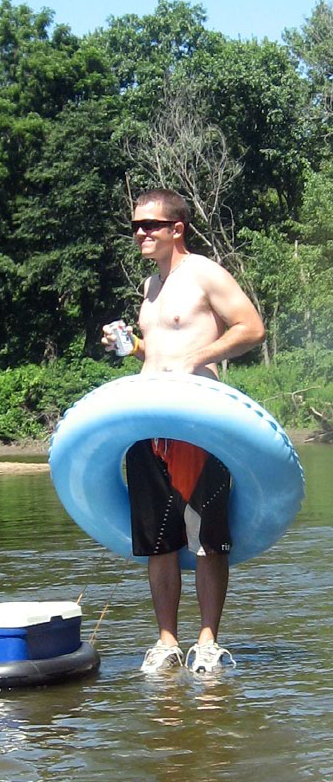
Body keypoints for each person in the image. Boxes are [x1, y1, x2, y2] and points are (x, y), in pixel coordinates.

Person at [102, 188, 265, 674]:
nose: (140, 233)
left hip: (198, 425)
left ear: (177, 229)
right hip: (150, 424)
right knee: (159, 541)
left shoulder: (205, 274)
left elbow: (251, 328)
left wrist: (197, 358)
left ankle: (208, 642)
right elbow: (158, 351)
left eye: (150, 224)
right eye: (135, 225)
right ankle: (167, 643)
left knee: (207, 540)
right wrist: (130, 347)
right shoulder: (150, 286)